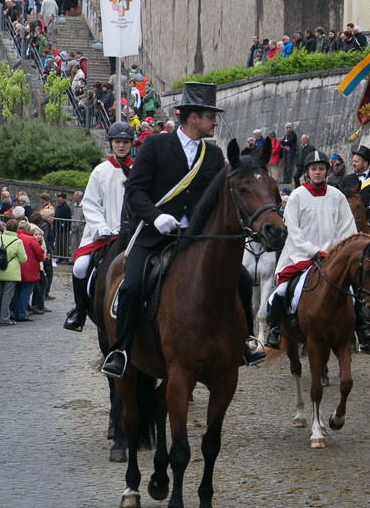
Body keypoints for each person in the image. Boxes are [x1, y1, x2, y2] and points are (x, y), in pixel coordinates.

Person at [101, 83, 265, 378]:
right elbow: (135, 192)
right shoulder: (155, 145)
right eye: (209, 116)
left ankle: (246, 341)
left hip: (195, 238)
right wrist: (156, 217)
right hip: (154, 235)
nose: (215, 122)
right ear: (191, 117)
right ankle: (121, 350)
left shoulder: (213, 156)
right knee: (133, 285)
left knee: (240, 277)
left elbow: (219, 200)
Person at [265, 150, 359, 349]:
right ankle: (274, 329)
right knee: (280, 291)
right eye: (314, 169)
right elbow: (292, 230)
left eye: (321, 169)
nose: (318, 172)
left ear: (327, 171)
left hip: (333, 257)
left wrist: (336, 253)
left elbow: (347, 228)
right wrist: (314, 251)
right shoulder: (297, 196)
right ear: (308, 172)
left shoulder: (337, 196)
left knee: (353, 290)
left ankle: (362, 328)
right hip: (300, 255)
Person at [63, 123, 136, 333]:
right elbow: (90, 203)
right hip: (102, 233)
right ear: (111, 143)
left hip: (133, 233)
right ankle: (80, 311)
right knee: (80, 266)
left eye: (125, 142)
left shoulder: (139, 168)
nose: (121, 146)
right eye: (117, 142)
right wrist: (101, 226)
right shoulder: (100, 171)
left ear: (131, 144)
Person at [0, 218, 28, 324]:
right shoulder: (18, 241)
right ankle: (5, 318)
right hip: (11, 272)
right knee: (7, 296)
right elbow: (23, 259)